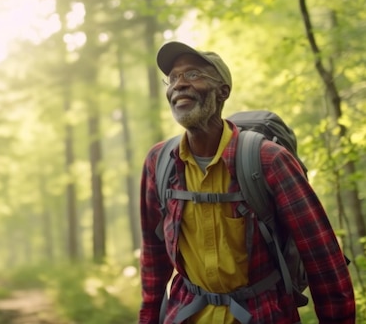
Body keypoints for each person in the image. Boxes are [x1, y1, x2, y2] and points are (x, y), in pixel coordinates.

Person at [138, 41, 355, 323]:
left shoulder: (268, 161)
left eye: (192, 75)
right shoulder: (159, 162)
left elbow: (324, 261)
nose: (179, 84)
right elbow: (153, 260)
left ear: (222, 91)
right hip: (185, 314)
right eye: (174, 78)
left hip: (264, 315)